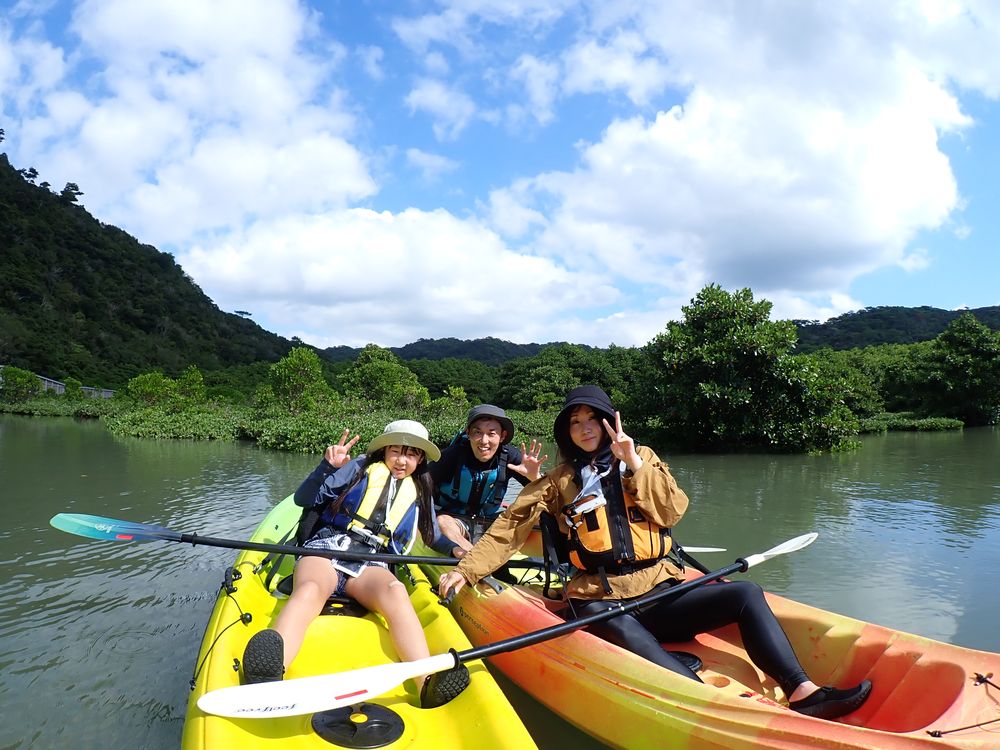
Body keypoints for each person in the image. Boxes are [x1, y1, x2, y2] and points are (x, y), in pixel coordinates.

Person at [438, 385, 873, 721]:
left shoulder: (641, 457)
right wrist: (468, 568)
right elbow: (510, 527)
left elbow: (672, 509)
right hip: (602, 597)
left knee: (745, 594)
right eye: (575, 422)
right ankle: (709, 703)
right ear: (566, 432)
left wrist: (635, 465)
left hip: (660, 590)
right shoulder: (557, 480)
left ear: (610, 421)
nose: (586, 428)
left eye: (594, 419)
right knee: (614, 622)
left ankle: (803, 692)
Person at [243, 419, 470, 709]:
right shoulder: (358, 468)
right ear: (385, 450)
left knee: (395, 591)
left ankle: (426, 681)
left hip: (371, 562)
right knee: (310, 590)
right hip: (327, 549)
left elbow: (432, 534)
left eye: (411, 454)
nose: (402, 460)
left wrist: (455, 551)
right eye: (396, 451)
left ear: (421, 458)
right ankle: (270, 673)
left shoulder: (419, 489)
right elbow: (304, 498)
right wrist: (327, 467)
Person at [430, 404, 547, 557]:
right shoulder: (452, 456)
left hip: (490, 521)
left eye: (491, 434)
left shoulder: (510, 457)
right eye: (477, 433)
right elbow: (419, 486)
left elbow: (550, 494)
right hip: (454, 520)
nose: (484, 441)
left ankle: (556, 562)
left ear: (502, 436)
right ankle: (475, 563)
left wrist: (535, 478)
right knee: (443, 522)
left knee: (541, 514)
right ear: (468, 434)